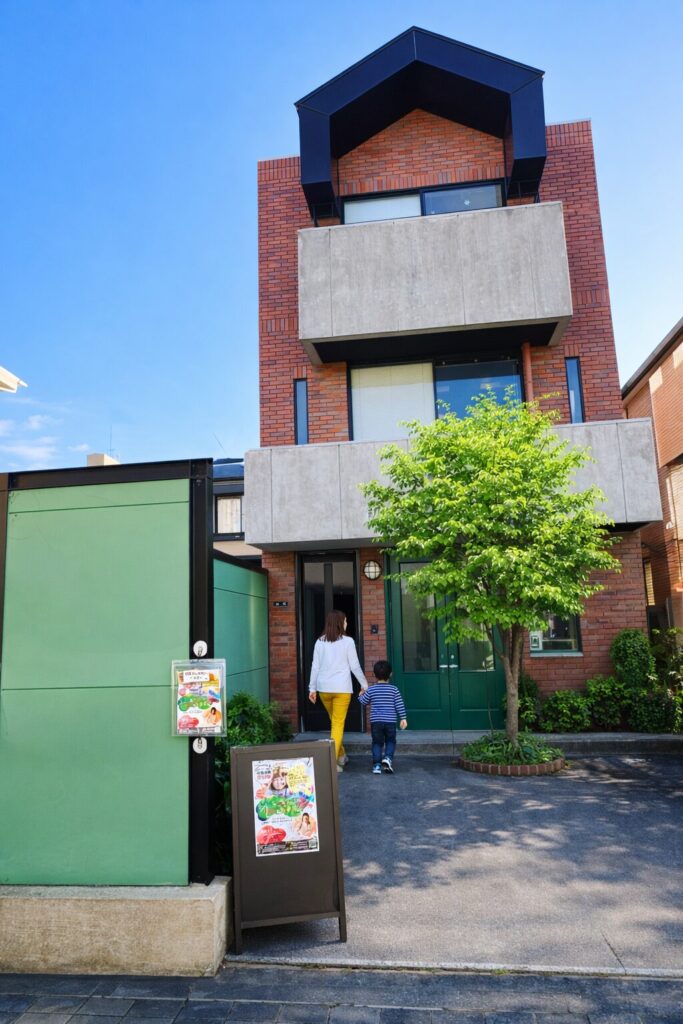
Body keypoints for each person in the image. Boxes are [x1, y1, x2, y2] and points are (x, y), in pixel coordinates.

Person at [309, 609, 368, 772]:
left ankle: (341, 755)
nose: (347, 623)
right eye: (345, 621)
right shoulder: (348, 641)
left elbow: (315, 666)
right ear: (340, 623)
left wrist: (312, 688)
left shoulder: (319, 641)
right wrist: (364, 684)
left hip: (324, 689)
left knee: (335, 723)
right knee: (337, 724)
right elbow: (354, 666)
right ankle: (332, 764)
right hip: (342, 689)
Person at [358, 659, 407, 774]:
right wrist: (403, 718)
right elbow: (399, 704)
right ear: (390, 674)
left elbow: (363, 701)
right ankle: (388, 758)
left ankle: (377, 765)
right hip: (390, 721)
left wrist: (360, 695)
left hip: (376, 722)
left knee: (377, 743)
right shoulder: (394, 690)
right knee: (390, 741)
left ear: (374, 675)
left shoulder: (372, 689)